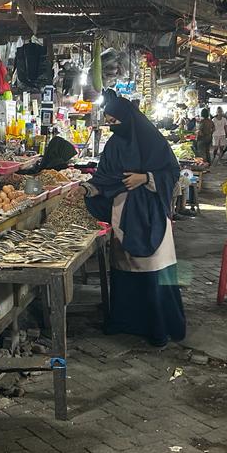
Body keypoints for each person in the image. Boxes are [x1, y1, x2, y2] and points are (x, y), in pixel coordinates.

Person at [74, 89, 186, 346]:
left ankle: (158, 327)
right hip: (122, 212)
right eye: (109, 122)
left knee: (153, 268)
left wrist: (145, 178)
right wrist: (86, 188)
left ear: (129, 118)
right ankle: (126, 321)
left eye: (116, 122)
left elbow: (172, 172)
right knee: (125, 267)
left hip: (152, 214)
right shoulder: (114, 145)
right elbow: (104, 177)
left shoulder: (153, 142)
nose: (113, 127)